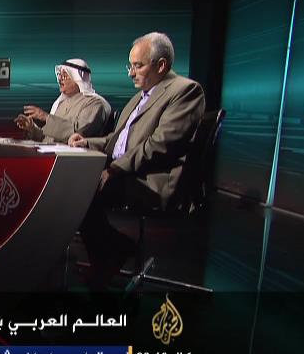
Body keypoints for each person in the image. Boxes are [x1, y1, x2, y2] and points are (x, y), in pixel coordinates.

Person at [68, 32, 205, 289]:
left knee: (80, 190)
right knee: (71, 182)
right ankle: (110, 251)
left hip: (151, 180)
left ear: (161, 65)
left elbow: (159, 145)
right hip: (128, 172)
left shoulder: (185, 91)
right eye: (129, 66)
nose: (131, 73)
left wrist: (115, 169)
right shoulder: (140, 96)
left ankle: (112, 253)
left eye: (138, 65)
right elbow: (118, 141)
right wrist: (87, 143)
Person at [15, 58, 111, 142]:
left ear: (78, 79)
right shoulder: (61, 103)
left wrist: (46, 117)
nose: (60, 79)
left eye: (65, 75)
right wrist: (32, 128)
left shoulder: (94, 104)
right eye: (59, 75)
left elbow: (77, 134)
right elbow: (50, 139)